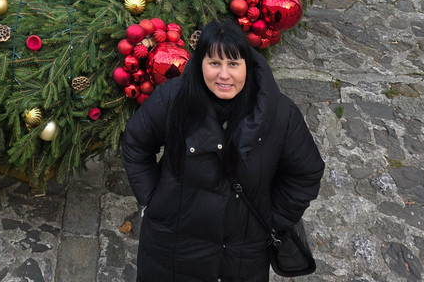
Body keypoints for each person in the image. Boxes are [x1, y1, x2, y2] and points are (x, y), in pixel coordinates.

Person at [122, 19, 325, 282]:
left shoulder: (279, 114)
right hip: (171, 247)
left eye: (233, 64)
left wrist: (274, 219)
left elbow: (306, 173)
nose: (224, 75)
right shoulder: (173, 98)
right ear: (200, 65)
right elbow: (137, 143)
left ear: (247, 67)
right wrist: (152, 199)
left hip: (241, 256)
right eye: (214, 63)